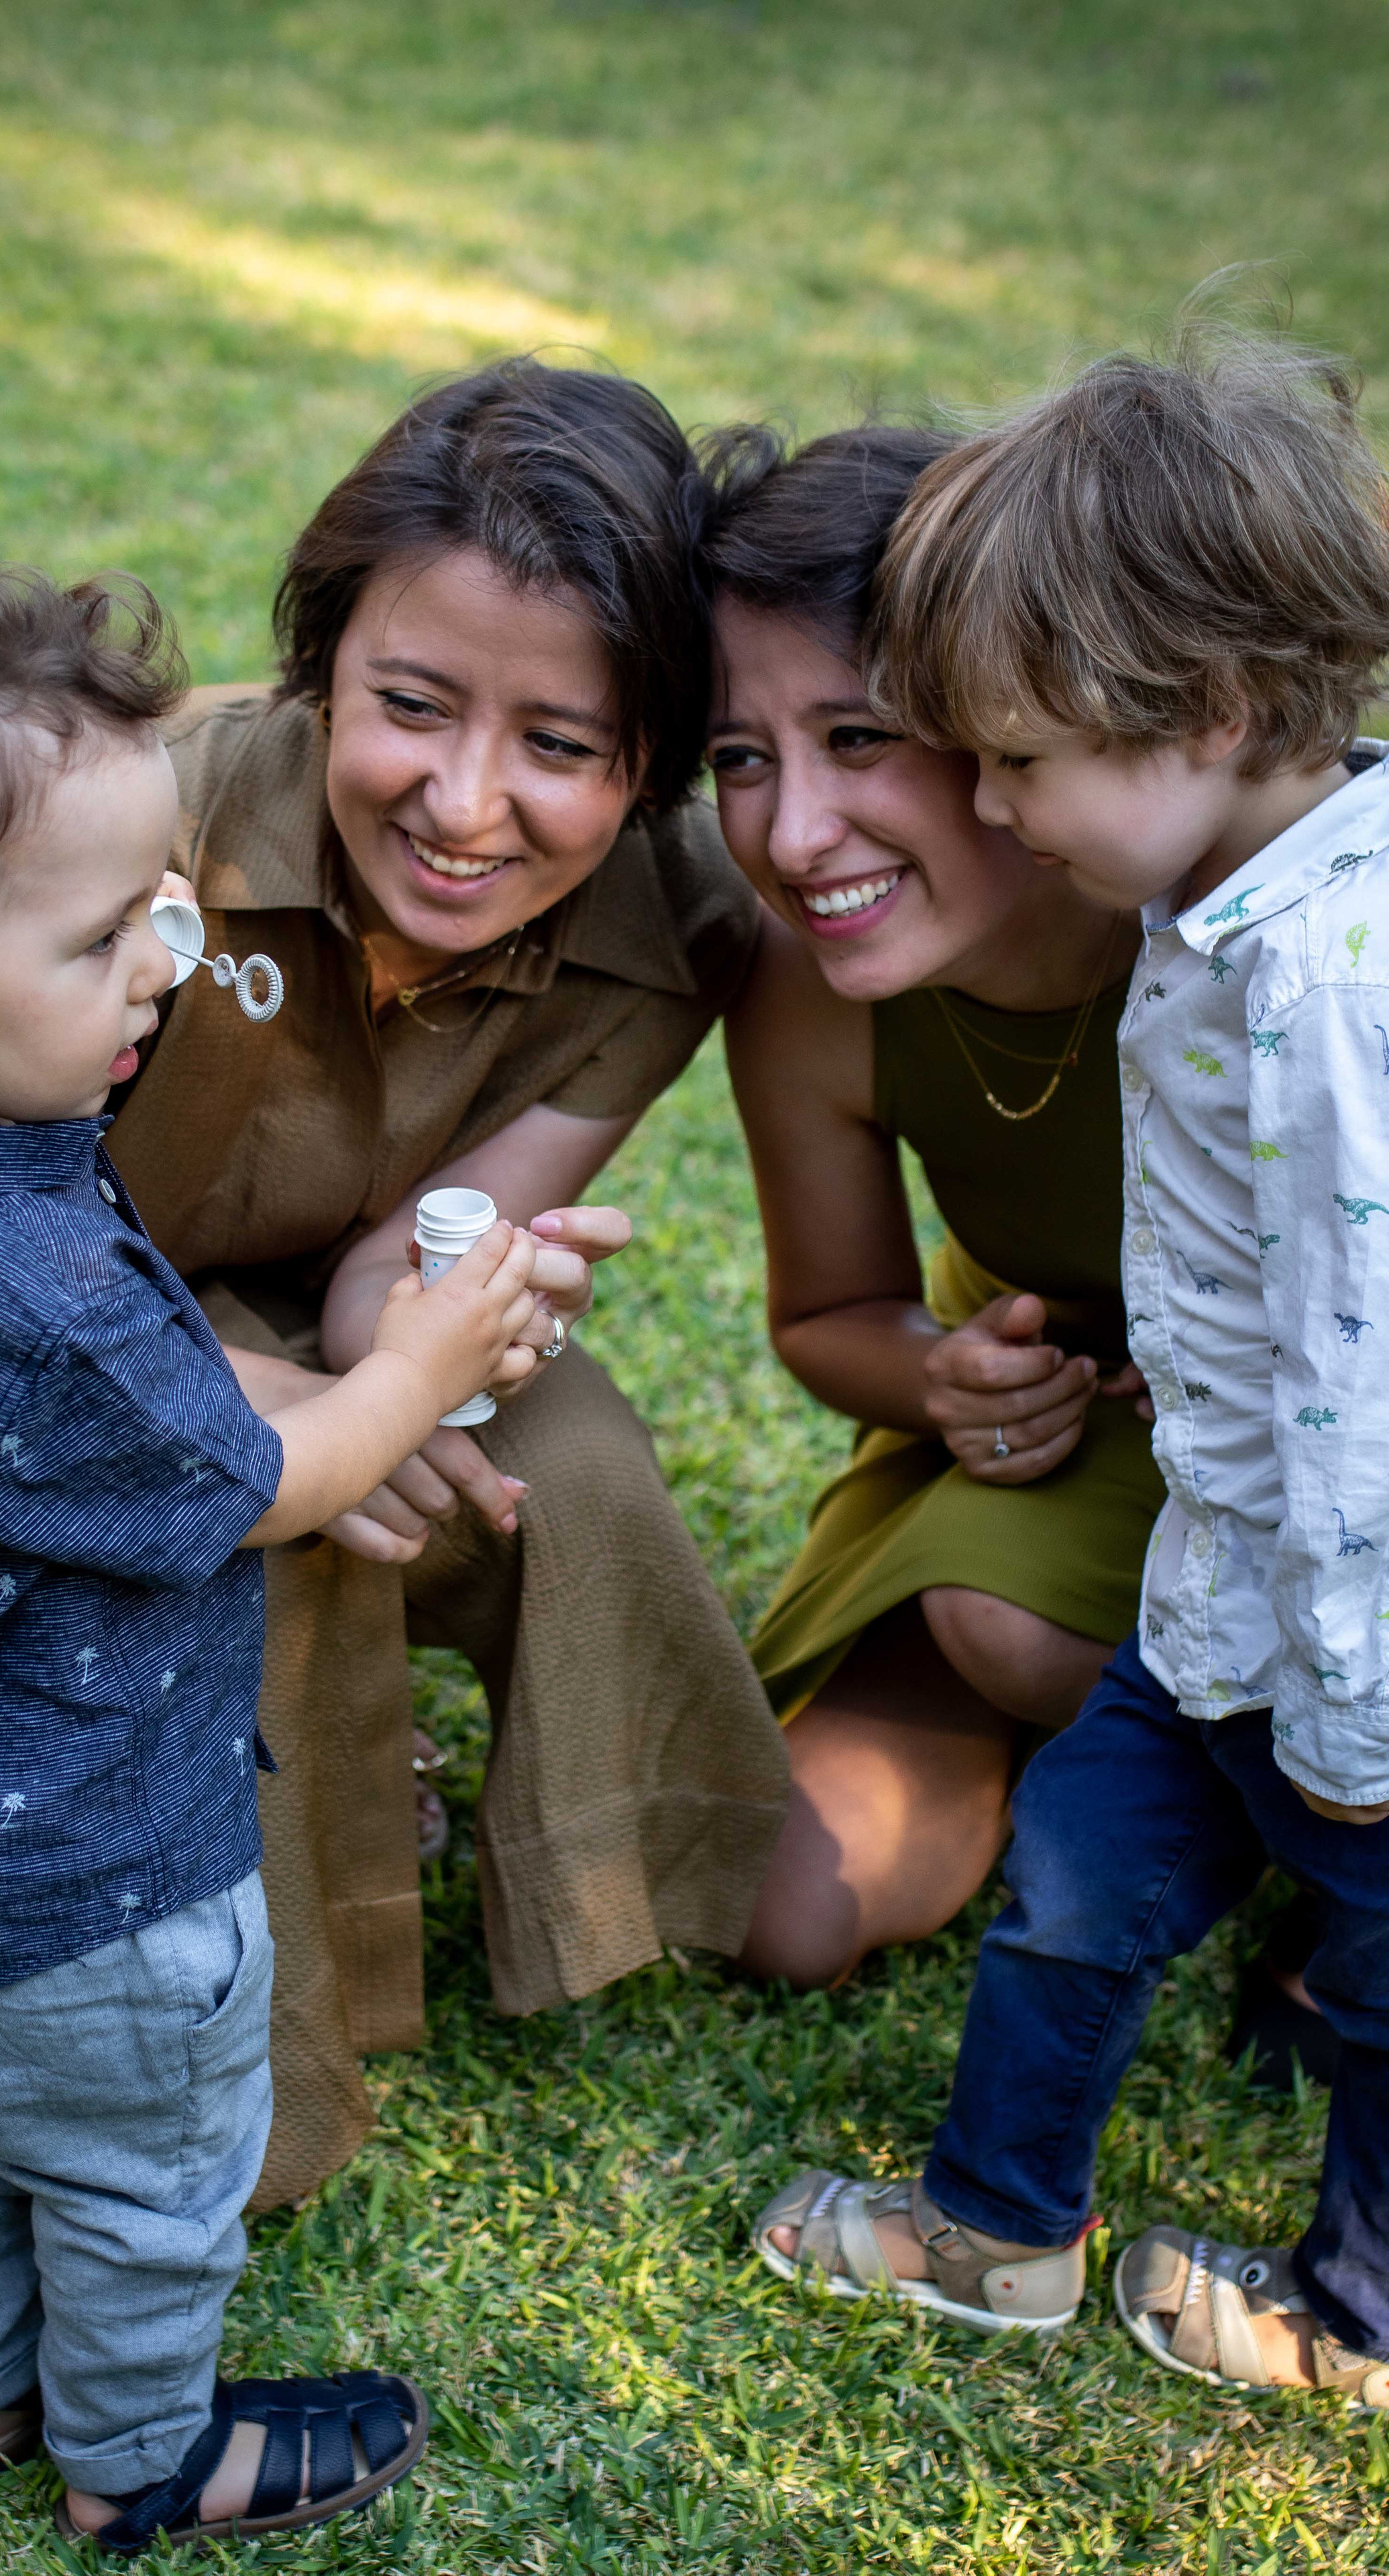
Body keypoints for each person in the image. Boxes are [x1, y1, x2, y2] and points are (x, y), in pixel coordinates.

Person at [0, 570, 555, 2543]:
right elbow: (276, 1470)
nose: (170, 956)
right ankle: (140, 2456)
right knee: (143, 2184)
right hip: (91, 1882)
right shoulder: (28, 1294)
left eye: (173, 893)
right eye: (104, 933)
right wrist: (426, 1355)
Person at [751, 337, 1389, 2409]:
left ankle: (1359, 2310)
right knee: (1068, 1890)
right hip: (1213, 1591)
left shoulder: (1321, 983)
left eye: (990, 755)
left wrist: (1354, 1715)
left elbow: (1360, 1386)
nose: (996, 804)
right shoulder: (1204, 905)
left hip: (1348, 1633)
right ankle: (999, 2227)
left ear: (1201, 710)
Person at [697, 423, 1159, 1989]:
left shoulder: (1226, 924)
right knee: (784, 1911)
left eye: (858, 736)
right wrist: (945, 1381)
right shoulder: (810, 986)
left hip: (1326, 1437)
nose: (790, 832)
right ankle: (1124, 1750)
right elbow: (828, 1316)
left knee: (1003, 1627)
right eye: (740, 757)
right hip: (1059, 1427)